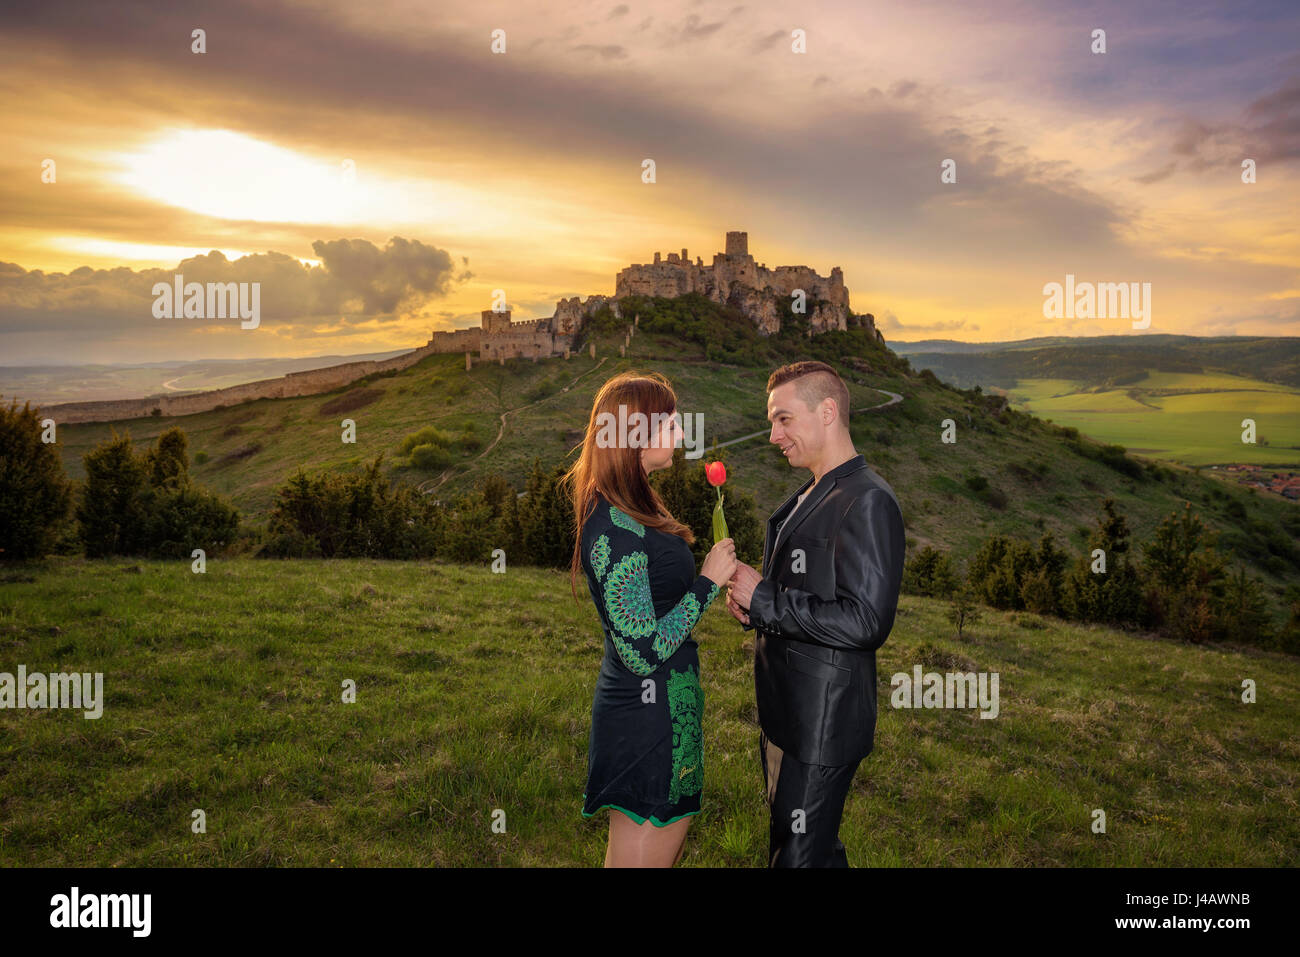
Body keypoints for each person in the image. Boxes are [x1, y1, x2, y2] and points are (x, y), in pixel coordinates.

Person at [726, 360, 905, 867]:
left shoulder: (867, 500)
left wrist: (765, 600)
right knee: (811, 848)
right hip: (789, 713)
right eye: (771, 421)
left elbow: (866, 621)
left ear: (828, 411)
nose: (772, 435)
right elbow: (804, 593)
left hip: (822, 723)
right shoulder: (811, 491)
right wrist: (755, 608)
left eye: (783, 419)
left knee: (798, 858)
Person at [562, 370, 736, 867]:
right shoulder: (614, 525)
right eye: (671, 423)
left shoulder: (634, 506)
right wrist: (706, 585)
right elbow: (640, 652)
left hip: (667, 710)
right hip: (645, 720)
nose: (681, 435)